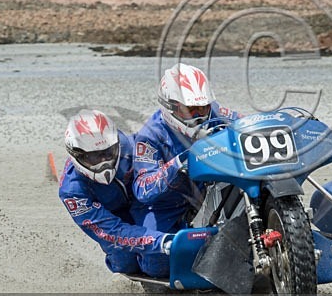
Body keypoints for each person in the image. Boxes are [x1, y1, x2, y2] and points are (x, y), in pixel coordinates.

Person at [58, 109, 172, 277]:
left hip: (147, 205)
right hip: (110, 218)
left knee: (157, 261)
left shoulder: (132, 147)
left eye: (107, 153)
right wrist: (160, 242)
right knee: (125, 261)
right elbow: (110, 231)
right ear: (77, 155)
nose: (104, 162)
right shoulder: (72, 192)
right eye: (94, 157)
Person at [132, 63, 241, 233]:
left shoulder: (215, 111)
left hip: (209, 190)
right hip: (167, 205)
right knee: (155, 245)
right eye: (189, 110)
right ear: (170, 107)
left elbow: (245, 123)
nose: (198, 115)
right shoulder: (149, 136)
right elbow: (142, 189)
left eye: (202, 108)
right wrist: (178, 164)